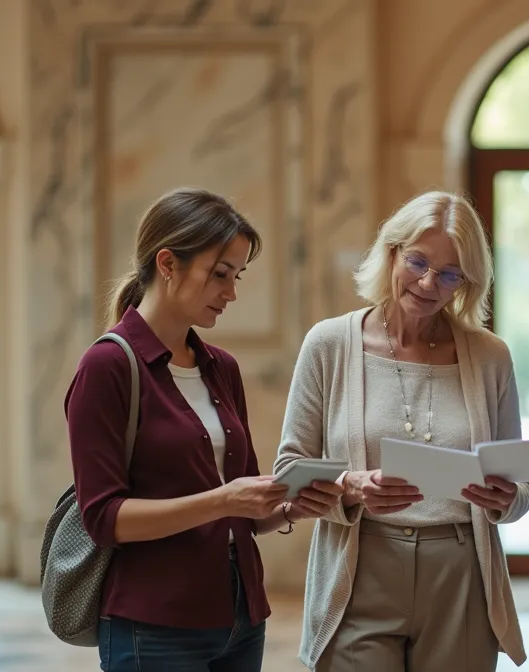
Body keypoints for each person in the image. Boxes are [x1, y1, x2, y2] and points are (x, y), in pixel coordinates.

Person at [64, 187, 344, 672]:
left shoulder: (221, 368)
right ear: (167, 263)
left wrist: (289, 506)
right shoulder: (106, 366)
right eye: (220, 274)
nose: (231, 293)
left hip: (241, 617)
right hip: (153, 625)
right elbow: (104, 519)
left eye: (236, 276)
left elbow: (247, 511)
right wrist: (224, 500)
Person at [275, 191, 529, 671]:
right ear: (391, 252)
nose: (429, 283)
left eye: (450, 273)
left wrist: (505, 498)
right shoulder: (329, 344)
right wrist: (351, 486)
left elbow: (521, 487)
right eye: (417, 261)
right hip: (359, 567)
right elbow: (289, 471)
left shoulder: (490, 355)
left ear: (465, 282)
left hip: (461, 574)